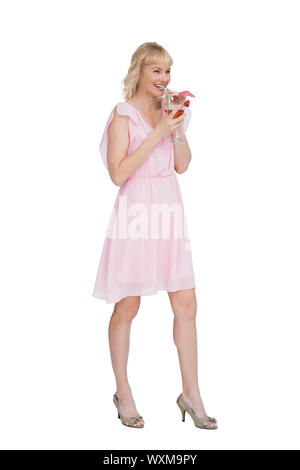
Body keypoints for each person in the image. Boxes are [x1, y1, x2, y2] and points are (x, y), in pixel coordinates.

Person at [93, 42, 217, 429]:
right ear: (139, 72)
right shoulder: (122, 115)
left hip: (169, 211)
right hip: (136, 212)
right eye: (156, 71)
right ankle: (123, 391)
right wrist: (157, 131)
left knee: (187, 304)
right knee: (128, 306)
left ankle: (191, 394)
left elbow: (182, 166)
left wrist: (175, 126)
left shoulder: (171, 110)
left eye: (167, 72)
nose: (163, 79)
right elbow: (118, 173)